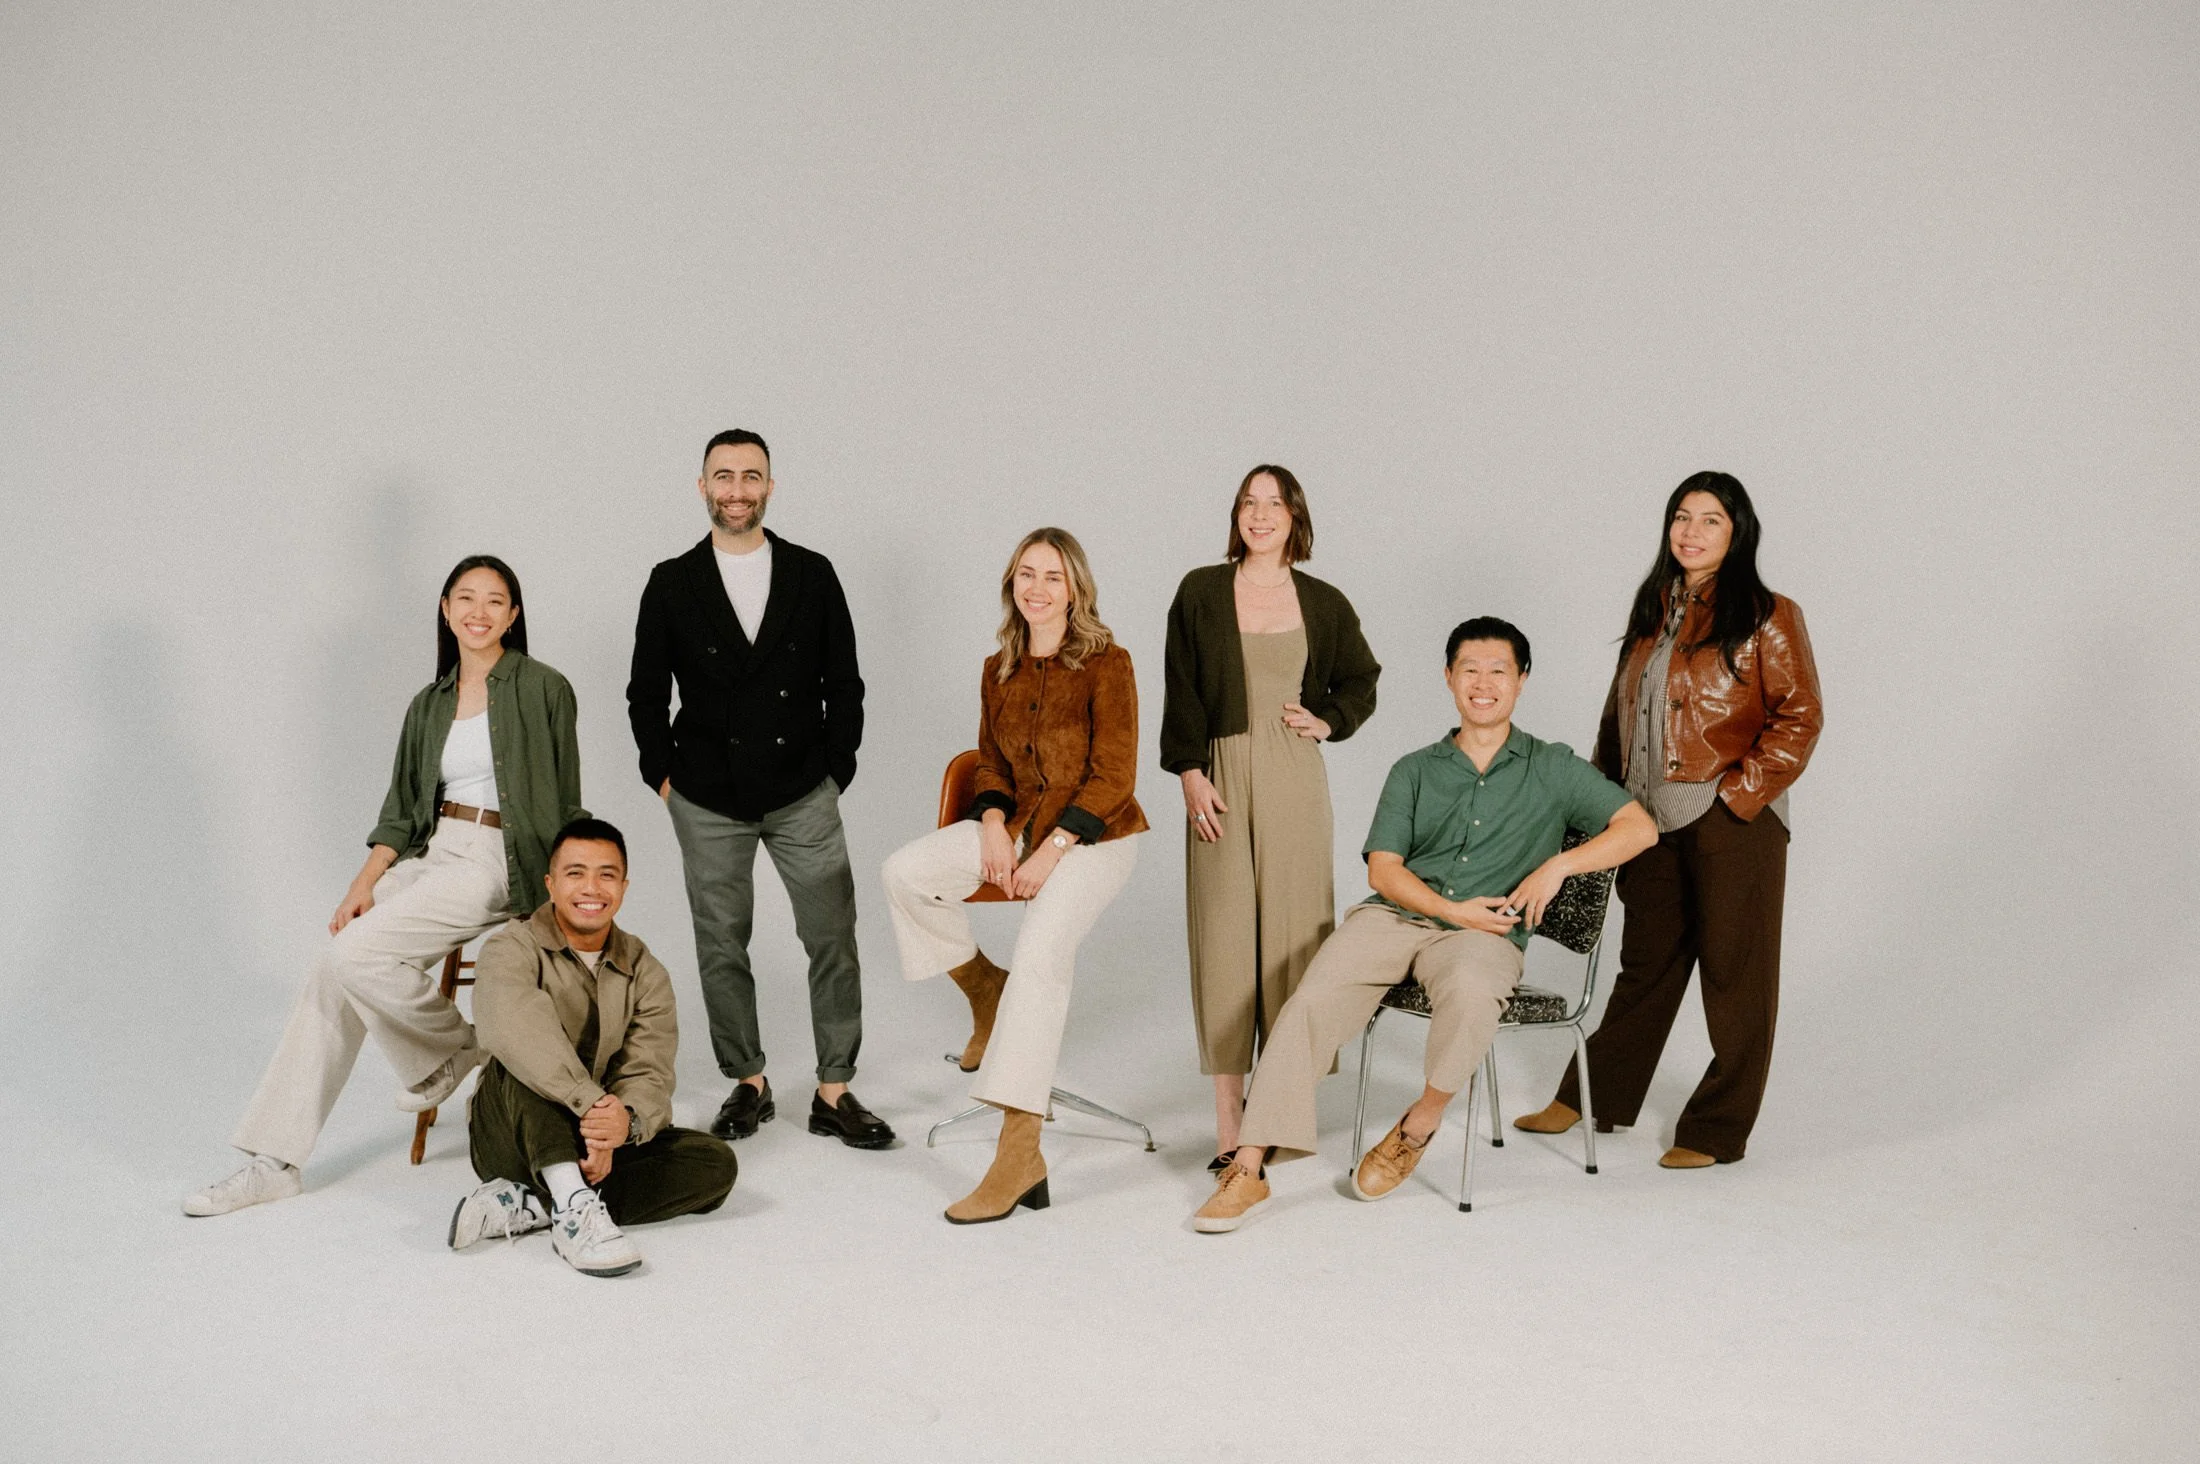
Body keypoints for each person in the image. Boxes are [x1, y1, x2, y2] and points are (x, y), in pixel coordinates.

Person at [1190, 617, 1657, 1232]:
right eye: (1469, 670)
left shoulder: (1554, 768)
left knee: (1470, 993)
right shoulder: (1414, 769)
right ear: (1448, 677)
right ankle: (1248, 1168)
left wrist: (1557, 867)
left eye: (1498, 671)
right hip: (1395, 918)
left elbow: (1640, 829)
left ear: (1521, 680)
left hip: (1483, 934)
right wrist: (1446, 908)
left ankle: (1419, 1124)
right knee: (1311, 997)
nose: (1483, 683)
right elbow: (1384, 872)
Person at [184, 556, 585, 1215]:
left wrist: (568, 889)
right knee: (331, 963)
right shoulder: (429, 705)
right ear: (446, 608)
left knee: (356, 956)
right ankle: (275, 1160)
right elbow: (401, 813)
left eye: (494, 600)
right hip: (437, 852)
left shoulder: (545, 687)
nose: (478, 611)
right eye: (466, 598)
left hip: (503, 858)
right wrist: (361, 885)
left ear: (514, 615)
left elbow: (568, 800)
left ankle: (455, 1047)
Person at [1515, 471, 1823, 1167]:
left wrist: (1736, 796)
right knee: (1646, 964)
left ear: (1737, 531)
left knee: (1734, 978)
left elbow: (1800, 718)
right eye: (1681, 517)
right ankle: (1595, 1096)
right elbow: (1619, 712)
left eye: (1710, 520)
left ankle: (1715, 1131)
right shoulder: (1656, 606)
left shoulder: (1771, 613)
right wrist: (1604, 800)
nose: (1691, 531)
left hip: (1730, 819)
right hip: (1647, 817)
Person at [627, 429, 892, 1150]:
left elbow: (846, 683)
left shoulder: (812, 573)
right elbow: (646, 693)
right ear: (702, 486)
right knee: (721, 944)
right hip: (707, 795)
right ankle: (748, 1082)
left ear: (771, 486)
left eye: (751, 475)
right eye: (723, 476)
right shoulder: (672, 581)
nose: (737, 488)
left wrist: (837, 769)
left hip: (804, 786)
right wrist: (663, 777)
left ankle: (835, 1089)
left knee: (832, 933)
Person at [881, 527, 1147, 1224]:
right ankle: (984, 990)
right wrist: (995, 822)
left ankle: (1017, 1151)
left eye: (1053, 577)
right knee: (905, 873)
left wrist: (1052, 847)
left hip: (1095, 837)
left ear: (1076, 589)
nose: (1037, 588)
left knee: (1040, 958)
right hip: (1018, 825)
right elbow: (990, 762)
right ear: (1012, 585)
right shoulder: (997, 666)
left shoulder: (1107, 664)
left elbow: (1115, 776)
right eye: (1026, 574)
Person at [1162, 465, 1380, 1170]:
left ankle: (1282, 1108)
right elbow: (1182, 685)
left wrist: (1329, 720)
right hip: (1219, 773)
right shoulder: (1200, 591)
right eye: (1249, 503)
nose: (1261, 515)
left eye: (1275, 503)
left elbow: (1361, 679)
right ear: (1237, 516)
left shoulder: (1323, 600)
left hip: (1293, 778)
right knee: (1225, 942)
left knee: (1294, 939)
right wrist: (1190, 772)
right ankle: (1230, 1120)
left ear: (1295, 517)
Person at [447, 819, 736, 1278]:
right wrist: (594, 1106)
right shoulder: (510, 949)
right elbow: (516, 1032)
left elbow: (650, 1068)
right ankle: (576, 1211)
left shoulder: (645, 968)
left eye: (606, 874)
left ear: (623, 885)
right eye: (575, 873)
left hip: (593, 1140)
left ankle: (535, 1205)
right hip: (510, 1131)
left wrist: (624, 1123)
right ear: (551, 883)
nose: (591, 887)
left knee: (715, 1164)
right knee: (521, 1060)